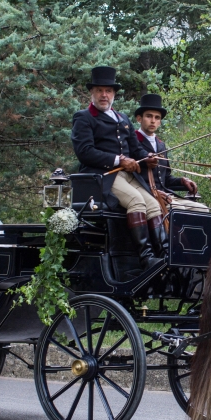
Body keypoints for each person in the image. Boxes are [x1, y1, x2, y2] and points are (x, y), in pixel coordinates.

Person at [70, 66, 164, 269]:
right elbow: (85, 152)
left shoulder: (123, 118)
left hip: (129, 176)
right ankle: (146, 257)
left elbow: (136, 149)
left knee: (154, 205)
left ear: (113, 94)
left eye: (109, 91)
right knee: (136, 201)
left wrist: (147, 158)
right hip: (103, 176)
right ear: (92, 93)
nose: (104, 95)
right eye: (100, 91)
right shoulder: (83, 118)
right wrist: (118, 160)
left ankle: (163, 253)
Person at [134, 93, 209, 216]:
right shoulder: (134, 142)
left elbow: (166, 178)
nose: (153, 121)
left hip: (166, 195)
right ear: (139, 118)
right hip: (146, 195)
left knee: (202, 210)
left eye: (157, 118)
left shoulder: (161, 145)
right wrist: (154, 192)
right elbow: (132, 178)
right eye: (149, 116)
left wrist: (182, 181)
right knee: (179, 210)